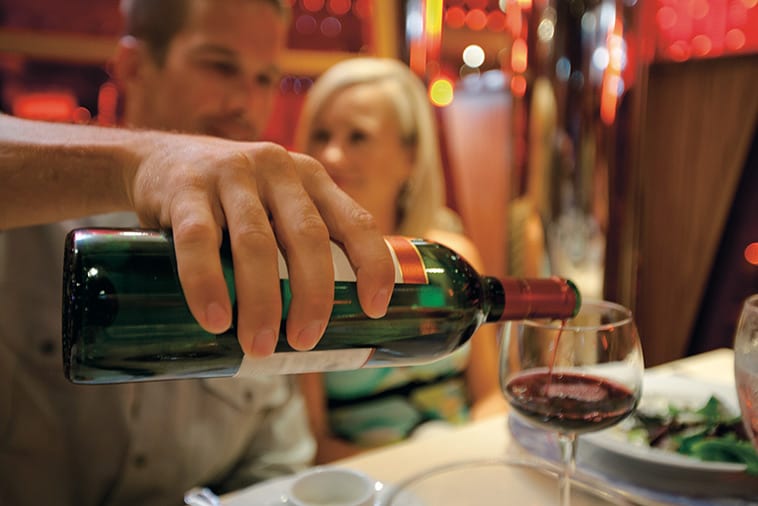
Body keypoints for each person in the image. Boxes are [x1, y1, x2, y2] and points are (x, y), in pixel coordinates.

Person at [0, 2, 394, 505]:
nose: (245, 103)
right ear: (135, 67)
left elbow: (277, 461)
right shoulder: (27, 216)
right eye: (220, 66)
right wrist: (141, 162)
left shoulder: (262, 252)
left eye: (264, 78)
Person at [294, 57, 508, 464]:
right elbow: (313, 443)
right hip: (363, 482)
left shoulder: (454, 260)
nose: (331, 155)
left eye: (358, 137)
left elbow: (490, 397)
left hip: (461, 466)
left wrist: (474, 463)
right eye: (321, 135)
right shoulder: (301, 270)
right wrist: (410, 476)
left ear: (410, 156)